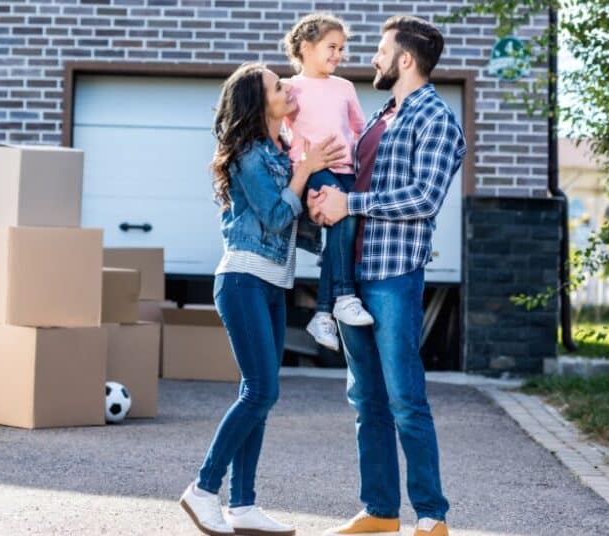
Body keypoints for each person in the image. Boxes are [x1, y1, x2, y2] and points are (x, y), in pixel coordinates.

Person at [308, 15, 466, 536]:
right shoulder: (379, 116)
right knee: (366, 399)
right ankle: (380, 511)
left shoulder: (437, 119)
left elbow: (423, 199)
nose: (371, 59)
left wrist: (349, 202)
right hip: (354, 275)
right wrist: (324, 201)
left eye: (380, 50)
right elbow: (350, 185)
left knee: (404, 397)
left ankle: (431, 515)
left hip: (394, 273)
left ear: (405, 59)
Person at [178, 62, 342, 536]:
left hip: (272, 282)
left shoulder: (282, 150)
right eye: (277, 86)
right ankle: (205, 489)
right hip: (244, 280)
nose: (287, 88)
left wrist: (315, 202)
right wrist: (304, 172)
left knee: (261, 394)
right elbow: (272, 216)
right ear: (258, 102)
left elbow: (294, 224)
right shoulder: (249, 153)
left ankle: (243, 504)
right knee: (261, 390)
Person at [282, 12, 373, 353]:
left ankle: (322, 314)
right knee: (342, 219)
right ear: (306, 47)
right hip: (314, 169)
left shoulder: (345, 88)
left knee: (343, 230)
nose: (338, 55)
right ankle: (344, 296)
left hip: (346, 169)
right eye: (331, 47)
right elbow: (276, 128)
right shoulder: (289, 88)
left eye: (342, 49)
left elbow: (360, 131)